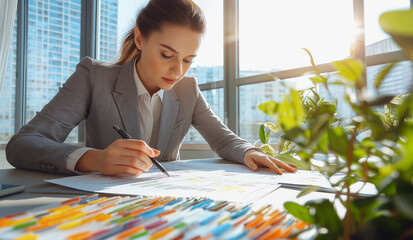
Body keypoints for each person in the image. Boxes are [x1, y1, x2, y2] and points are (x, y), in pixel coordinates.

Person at [6, 0, 297, 176]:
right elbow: (22, 145)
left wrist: (249, 152)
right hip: (101, 206)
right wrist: (95, 159)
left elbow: (224, 141)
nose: (177, 71)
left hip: (166, 206)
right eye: (167, 55)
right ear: (141, 39)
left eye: (188, 60)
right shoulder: (94, 77)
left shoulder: (188, 89)